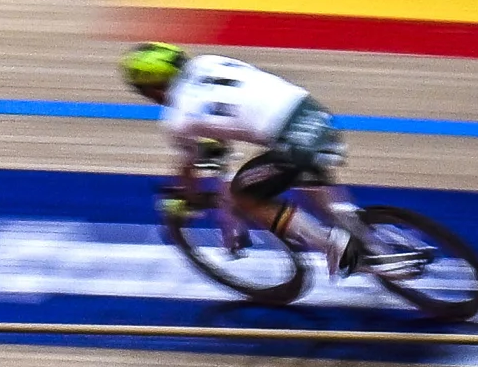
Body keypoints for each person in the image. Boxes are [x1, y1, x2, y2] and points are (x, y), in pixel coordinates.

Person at [122, 41, 380, 269]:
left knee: (244, 194)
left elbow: (190, 169)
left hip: (292, 143)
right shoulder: (207, 61)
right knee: (314, 187)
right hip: (316, 117)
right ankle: (373, 244)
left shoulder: (177, 119)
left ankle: (332, 246)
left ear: (153, 87)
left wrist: (184, 197)